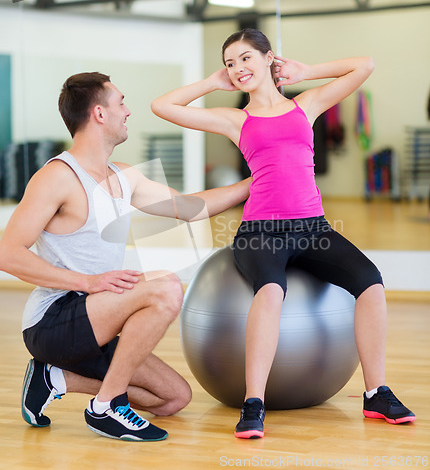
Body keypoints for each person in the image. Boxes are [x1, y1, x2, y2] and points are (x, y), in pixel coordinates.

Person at [151, 28, 416, 439]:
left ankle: (375, 393)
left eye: (245, 59)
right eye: (229, 63)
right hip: (261, 231)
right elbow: (162, 106)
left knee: (371, 282)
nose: (237, 68)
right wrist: (211, 83)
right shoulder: (235, 119)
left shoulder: (306, 105)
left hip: (314, 229)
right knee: (272, 289)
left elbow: (365, 65)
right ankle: (253, 401)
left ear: (267, 59)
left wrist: (308, 70)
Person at [0, 72, 251, 442]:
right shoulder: (57, 176)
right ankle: (105, 407)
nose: (128, 111)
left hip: (95, 320)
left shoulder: (124, 176)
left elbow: (190, 207)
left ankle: (54, 378)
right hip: (53, 323)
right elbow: (7, 253)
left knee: (173, 398)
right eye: (121, 102)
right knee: (165, 287)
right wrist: (86, 282)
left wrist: (257, 180)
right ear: (99, 113)